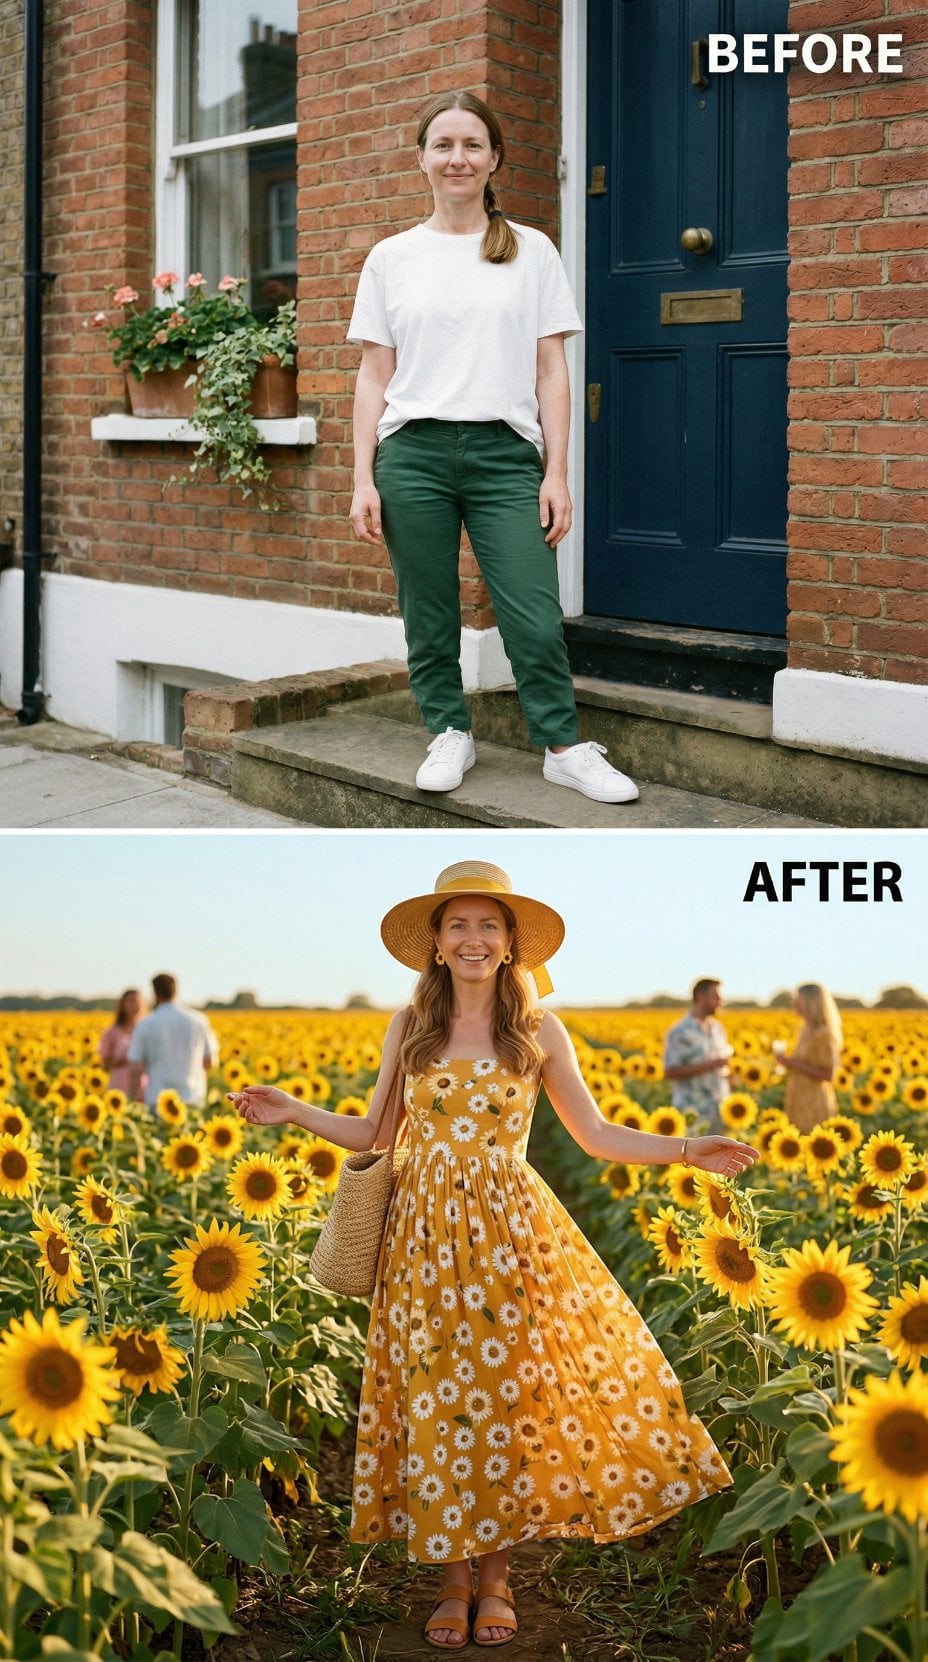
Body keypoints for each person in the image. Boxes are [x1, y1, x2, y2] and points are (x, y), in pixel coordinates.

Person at [230, 861, 758, 1650]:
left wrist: (689, 1149)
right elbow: (379, 1135)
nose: (473, 939)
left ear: (510, 945)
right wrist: (292, 1111)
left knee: (502, 1402)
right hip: (418, 1241)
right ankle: (451, 1582)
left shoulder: (540, 1031)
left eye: (489, 926)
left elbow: (597, 1135)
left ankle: (498, 1580)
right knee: (438, 1402)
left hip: (510, 1235)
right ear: (437, 946)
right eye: (458, 926)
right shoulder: (409, 1026)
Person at [346, 89, 639, 807]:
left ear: (494, 158)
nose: (457, 157)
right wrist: (362, 478)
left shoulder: (531, 250)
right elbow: (373, 375)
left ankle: (563, 747)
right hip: (411, 455)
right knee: (430, 610)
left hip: (506, 456)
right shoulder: (392, 258)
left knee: (534, 616)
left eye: (471, 144)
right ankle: (449, 731)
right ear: (421, 159)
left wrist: (557, 472)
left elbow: (551, 370)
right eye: (443, 144)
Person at [127, 973, 219, 1112]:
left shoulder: (145, 1024)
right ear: (176, 990)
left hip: (157, 1098)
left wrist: (133, 1098)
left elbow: (135, 1067)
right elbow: (211, 1062)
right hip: (193, 1097)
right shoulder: (199, 1020)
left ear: (155, 993)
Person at [661, 979, 733, 1135]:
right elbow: (670, 1072)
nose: (721, 1002)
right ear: (701, 997)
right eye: (716, 997)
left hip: (719, 1108)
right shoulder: (680, 1032)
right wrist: (711, 1065)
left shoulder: (717, 1029)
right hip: (692, 1111)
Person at [773, 983, 842, 1133]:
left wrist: (793, 1063)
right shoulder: (805, 1029)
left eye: (799, 1001)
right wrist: (788, 1063)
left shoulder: (824, 1034)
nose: (795, 1005)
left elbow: (828, 1074)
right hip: (798, 1099)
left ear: (811, 1003)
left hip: (814, 1103)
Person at [98, 987, 147, 1098]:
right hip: (119, 1084)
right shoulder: (112, 1032)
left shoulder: (146, 1030)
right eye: (131, 1001)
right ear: (123, 1005)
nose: (135, 1005)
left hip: (143, 1085)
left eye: (138, 1001)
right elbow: (105, 1065)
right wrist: (125, 1060)